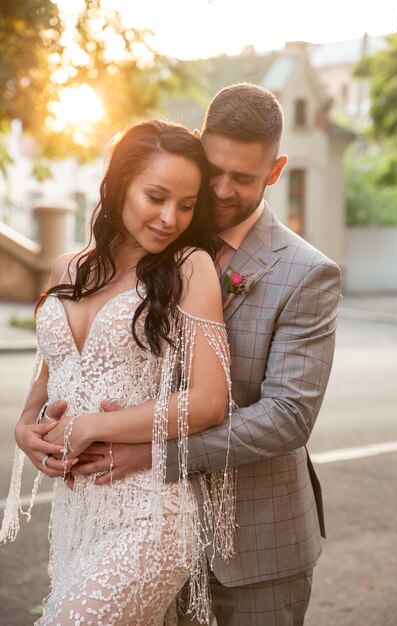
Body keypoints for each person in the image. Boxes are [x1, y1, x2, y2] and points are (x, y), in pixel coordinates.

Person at [16, 83, 341, 625]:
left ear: (275, 170)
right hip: (118, 510)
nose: (220, 189)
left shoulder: (305, 273)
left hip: (253, 544)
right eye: (211, 169)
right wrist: (29, 423)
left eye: (242, 177)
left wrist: (153, 454)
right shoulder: (152, 241)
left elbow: (288, 418)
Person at [0, 120, 236, 625]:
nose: (170, 218)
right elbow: (50, 375)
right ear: (119, 184)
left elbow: (210, 399)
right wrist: (25, 429)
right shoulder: (67, 268)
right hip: (78, 514)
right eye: (156, 196)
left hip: (150, 515)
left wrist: (92, 426)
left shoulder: (189, 266)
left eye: (187, 205)